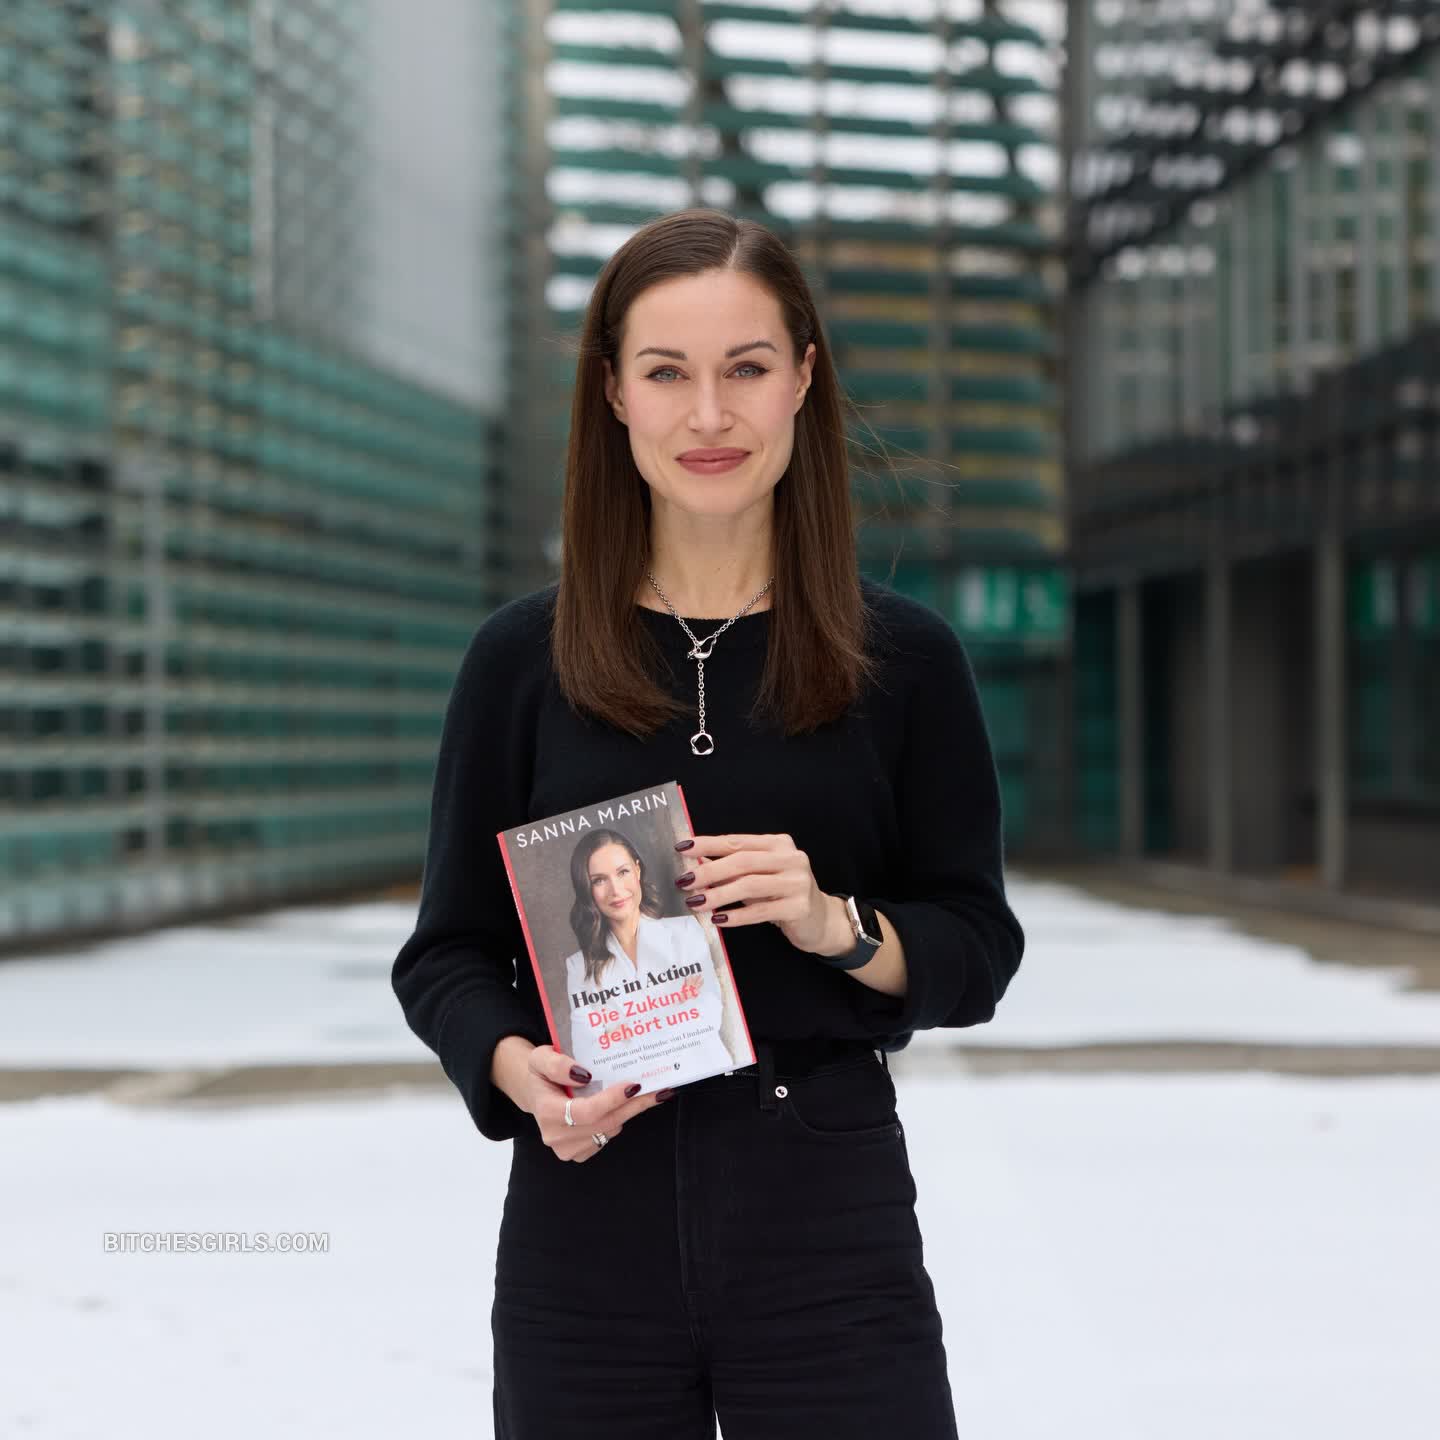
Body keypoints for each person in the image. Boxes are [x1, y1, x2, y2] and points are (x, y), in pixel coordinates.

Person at [391, 206, 1025, 1440]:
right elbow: (448, 955)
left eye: (745, 368)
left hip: (826, 1209)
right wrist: (519, 1073)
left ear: (804, 378)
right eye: (667, 373)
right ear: (613, 394)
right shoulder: (521, 661)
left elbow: (977, 947)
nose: (710, 415)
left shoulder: (905, 658)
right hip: (587, 1221)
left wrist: (836, 923)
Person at [562, 827, 736, 1082]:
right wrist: (676, 1007)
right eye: (599, 880)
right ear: (587, 889)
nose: (615, 889)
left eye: (623, 872)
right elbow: (590, 1061)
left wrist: (622, 1032)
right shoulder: (578, 966)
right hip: (635, 1100)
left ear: (637, 870)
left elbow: (707, 1019)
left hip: (710, 1084)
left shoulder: (685, 931)